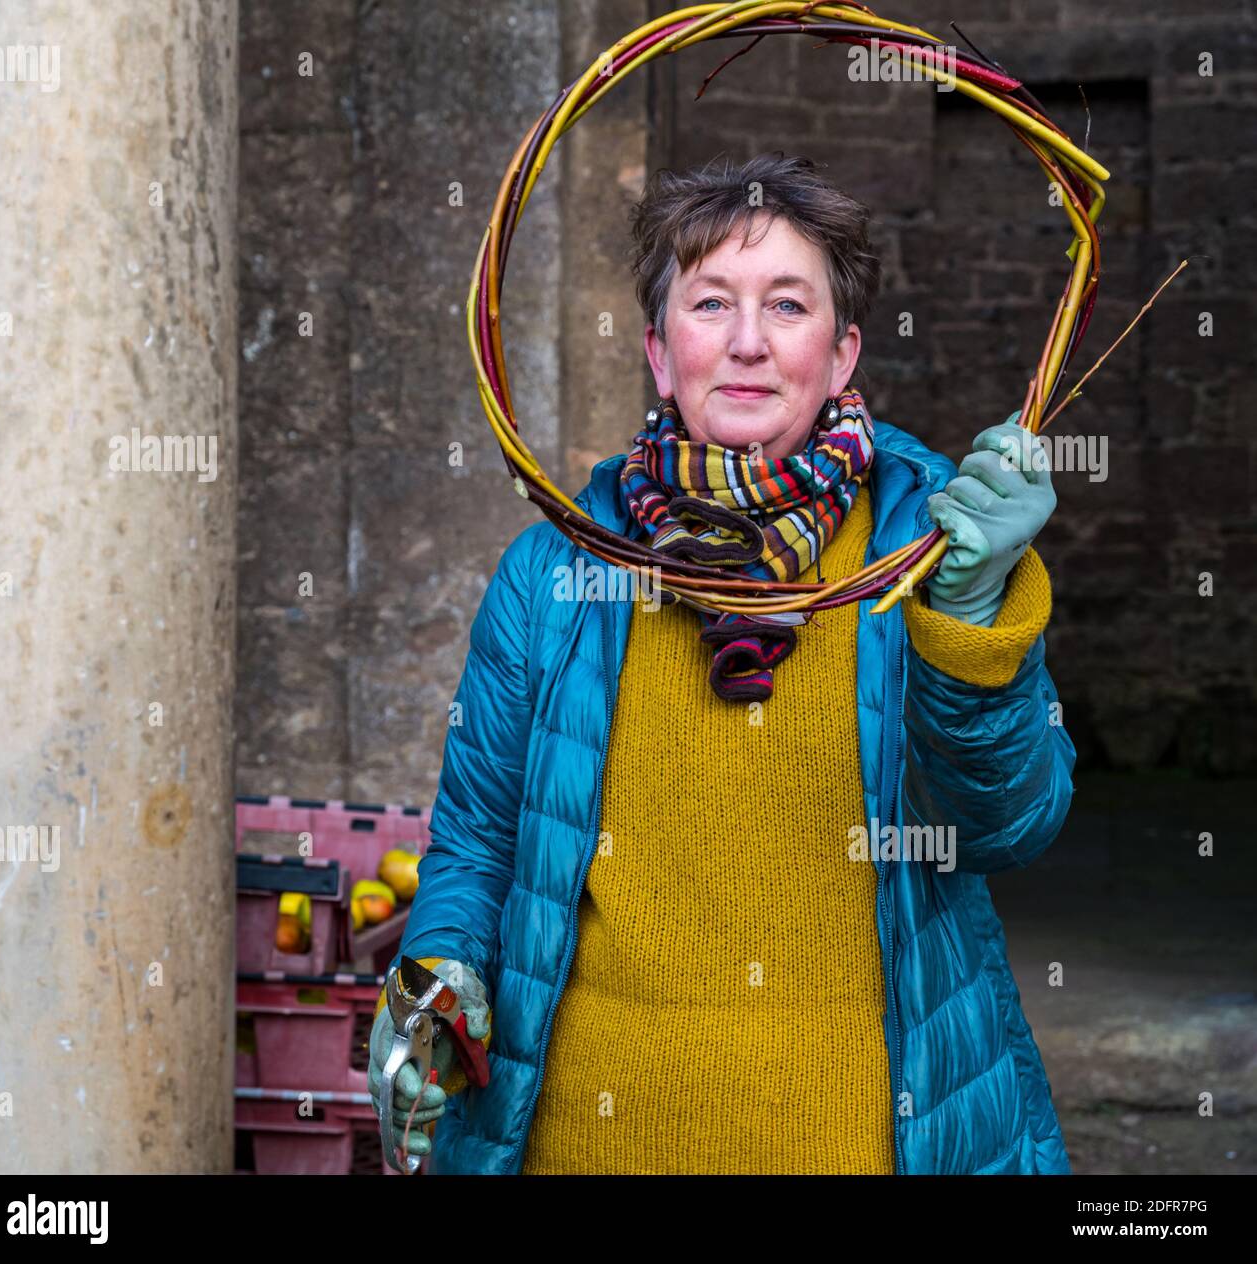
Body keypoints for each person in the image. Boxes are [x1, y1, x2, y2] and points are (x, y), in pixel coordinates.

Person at [368, 151, 1076, 1175]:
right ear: (660, 353)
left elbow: (1009, 824)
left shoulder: (929, 547)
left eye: (788, 306)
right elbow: (478, 839)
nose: (747, 344)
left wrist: (964, 617)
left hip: (866, 1146)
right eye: (710, 304)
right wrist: (437, 977)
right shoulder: (557, 572)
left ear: (840, 355)